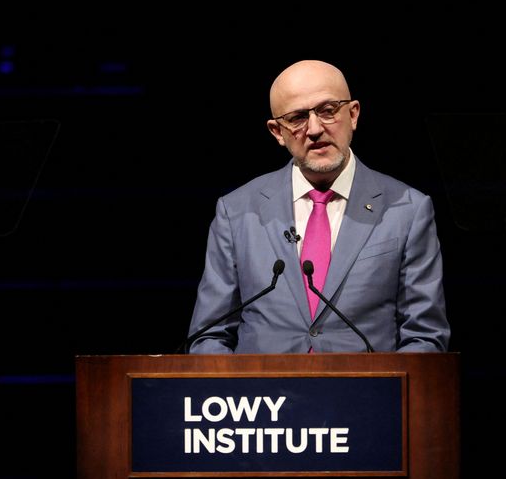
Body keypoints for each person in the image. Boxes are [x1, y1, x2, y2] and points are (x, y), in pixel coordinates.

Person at [187, 59, 449, 353]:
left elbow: (425, 337)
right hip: (263, 396)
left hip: (364, 396)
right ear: (277, 132)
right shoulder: (235, 212)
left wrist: (383, 395)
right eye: (297, 117)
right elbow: (208, 336)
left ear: (353, 114)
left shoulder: (408, 210)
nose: (314, 129)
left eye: (328, 111)